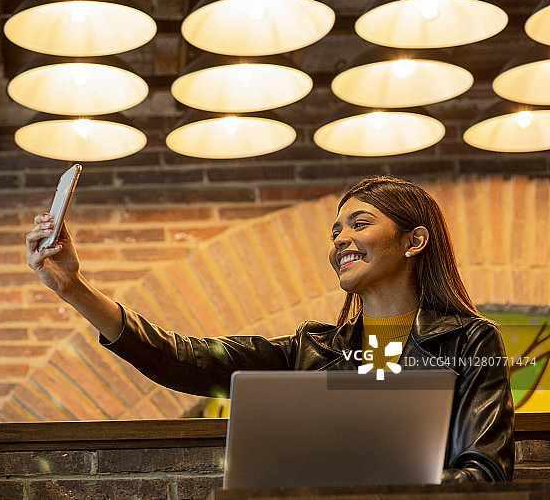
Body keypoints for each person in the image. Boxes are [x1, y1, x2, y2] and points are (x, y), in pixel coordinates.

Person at [26, 176, 514, 483]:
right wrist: (74, 288)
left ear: (415, 240)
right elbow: (185, 360)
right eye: (335, 232)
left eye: (359, 224)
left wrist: (373, 487)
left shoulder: (469, 340)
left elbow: (486, 472)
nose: (340, 239)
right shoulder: (312, 348)